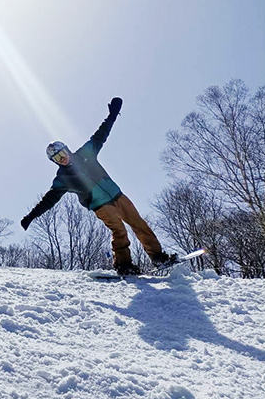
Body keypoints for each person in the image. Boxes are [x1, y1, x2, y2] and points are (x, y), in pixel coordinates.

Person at [20, 98, 176, 276]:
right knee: (119, 230)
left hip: (117, 195)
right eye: (56, 158)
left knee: (139, 224)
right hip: (99, 205)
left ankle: (158, 257)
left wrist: (112, 115)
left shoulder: (86, 153)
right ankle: (124, 265)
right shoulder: (62, 178)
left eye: (62, 153)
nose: (61, 159)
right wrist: (31, 216)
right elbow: (48, 200)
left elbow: (100, 135)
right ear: (54, 162)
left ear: (67, 150)